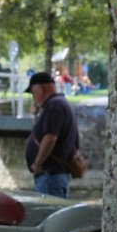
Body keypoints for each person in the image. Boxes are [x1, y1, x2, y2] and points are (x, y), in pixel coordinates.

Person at [25, 70, 80, 198]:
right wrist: (36, 114)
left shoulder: (54, 106)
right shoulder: (60, 103)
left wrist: (37, 164)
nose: (33, 97)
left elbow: (50, 138)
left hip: (50, 176)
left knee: (48, 209)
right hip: (53, 176)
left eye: (33, 93)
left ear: (40, 89)